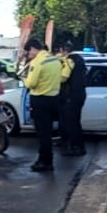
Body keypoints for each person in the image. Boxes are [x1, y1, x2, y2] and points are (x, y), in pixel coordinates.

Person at [23, 39, 64, 171]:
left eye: (29, 51)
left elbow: (31, 84)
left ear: (34, 48)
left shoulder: (38, 62)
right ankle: (47, 160)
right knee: (48, 132)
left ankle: (45, 161)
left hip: (40, 100)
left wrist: (24, 78)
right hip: (54, 99)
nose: (29, 54)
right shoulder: (55, 60)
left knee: (42, 134)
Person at [57, 42, 87, 156]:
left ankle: (77, 147)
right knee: (74, 121)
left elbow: (63, 78)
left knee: (71, 123)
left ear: (62, 50)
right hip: (79, 94)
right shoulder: (79, 59)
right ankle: (73, 145)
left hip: (71, 96)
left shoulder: (69, 60)